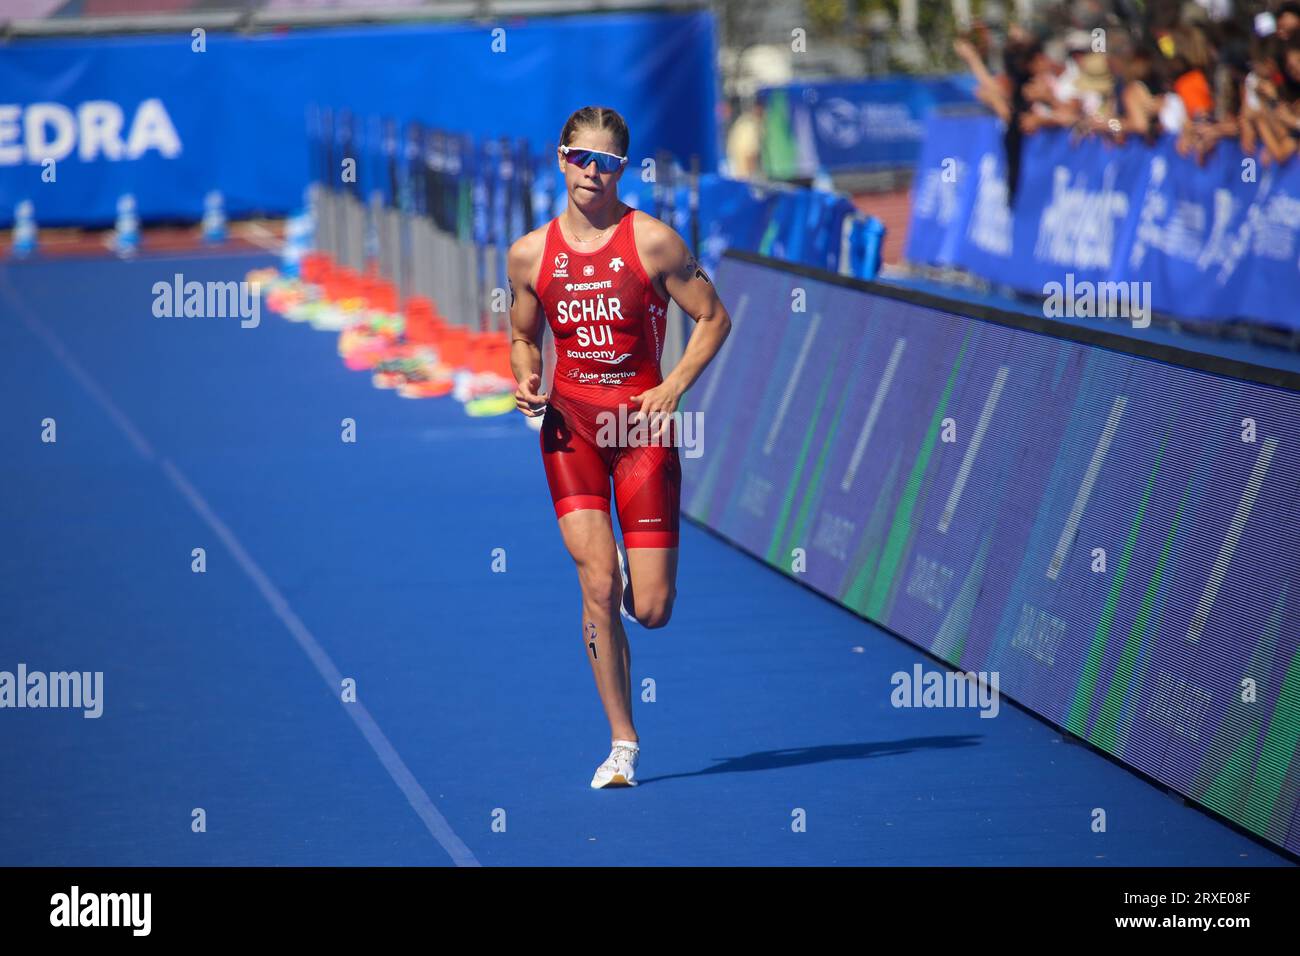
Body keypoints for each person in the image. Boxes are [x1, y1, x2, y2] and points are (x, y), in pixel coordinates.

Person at [506, 106, 732, 788]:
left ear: (622, 170)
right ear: (560, 156)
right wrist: (525, 376)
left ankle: (638, 585)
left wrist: (674, 387)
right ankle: (622, 742)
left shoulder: (653, 242)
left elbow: (714, 317)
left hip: (640, 431)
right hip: (570, 429)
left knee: (653, 609)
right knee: (597, 583)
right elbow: (522, 333)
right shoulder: (529, 254)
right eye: (580, 158)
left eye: (604, 163)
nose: (590, 173)